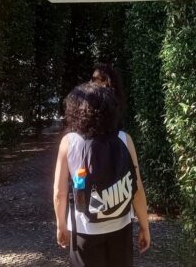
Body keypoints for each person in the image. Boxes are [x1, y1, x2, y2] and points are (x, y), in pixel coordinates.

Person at [53, 82, 150, 266]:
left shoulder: (69, 142)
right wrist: (144, 226)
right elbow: (136, 188)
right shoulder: (124, 139)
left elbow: (59, 193)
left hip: (84, 229)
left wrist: (61, 225)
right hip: (121, 225)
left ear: (75, 111)